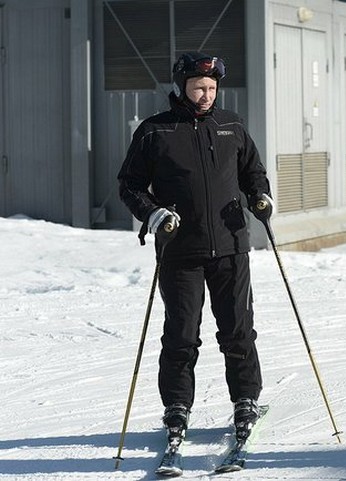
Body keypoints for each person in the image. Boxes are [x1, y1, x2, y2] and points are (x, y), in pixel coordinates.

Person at [117, 52, 274, 446]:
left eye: (211, 88)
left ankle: (245, 400)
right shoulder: (155, 131)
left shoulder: (231, 125)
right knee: (181, 335)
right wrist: (152, 214)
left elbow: (252, 171)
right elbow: (129, 184)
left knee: (238, 331)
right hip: (179, 249)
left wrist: (260, 196)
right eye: (198, 87)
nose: (206, 95)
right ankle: (176, 407)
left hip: (230, 245)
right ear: (181, 88)